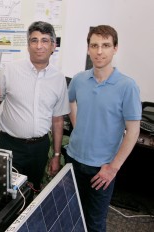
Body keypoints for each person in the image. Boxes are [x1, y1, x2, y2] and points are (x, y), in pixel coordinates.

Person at [65, 25, 142, 232]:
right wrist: (78, 126)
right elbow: (70, 101)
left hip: (101, 169)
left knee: (95, 223)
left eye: (106, 45)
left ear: (115, 48)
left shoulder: (127, 86)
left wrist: (113, 168)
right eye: (94, 45)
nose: (99, 51)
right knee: (72, 214)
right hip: (73, 159)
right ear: (88, 49)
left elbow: (133, 132)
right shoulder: (79, 79)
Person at [0, 21, 70, 192]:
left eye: (44, 40)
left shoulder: (59, 79)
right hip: (9, 145)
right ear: (28, 45)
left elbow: (57, 120)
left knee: (31, 191)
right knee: (3, 193)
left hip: (39, 148)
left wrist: (56, 155)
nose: (39, 45)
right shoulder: (10, 70)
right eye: (34, 40)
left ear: (53, 46)